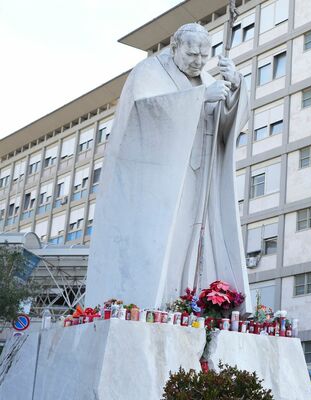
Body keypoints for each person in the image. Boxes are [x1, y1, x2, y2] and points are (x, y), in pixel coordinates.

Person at [85, 23, 251, 311]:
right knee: (165, 245)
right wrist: (201, 98)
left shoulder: (207, 79)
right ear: (174, 48)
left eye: (204, 55)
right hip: (162, 183)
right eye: (191, 54)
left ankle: (188, 304)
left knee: (196, 247)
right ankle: (158, 304)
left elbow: (226, 127)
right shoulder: (149, 72)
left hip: (200, 179)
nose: (198, 61)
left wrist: (235, 87)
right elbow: (144, 112)